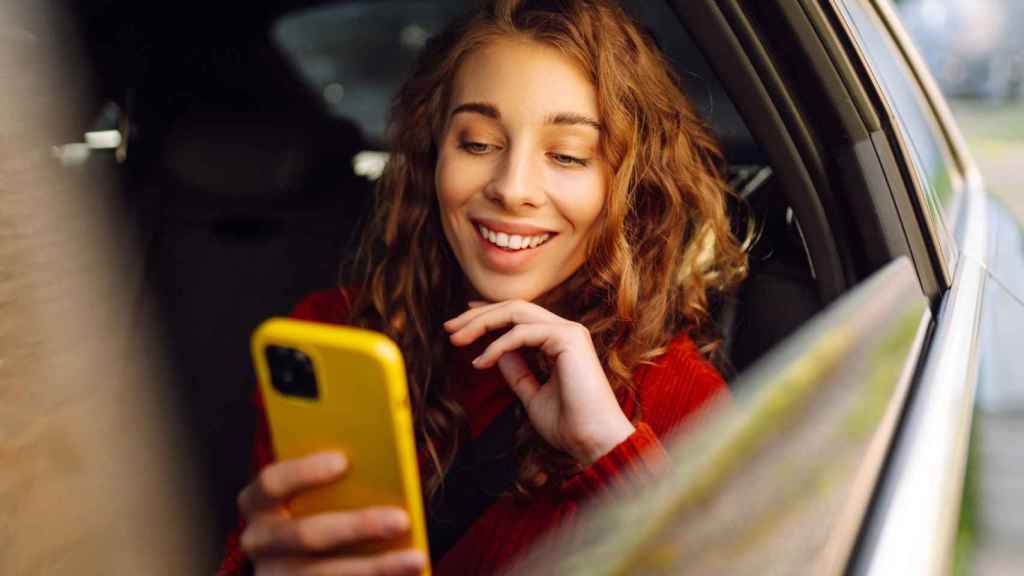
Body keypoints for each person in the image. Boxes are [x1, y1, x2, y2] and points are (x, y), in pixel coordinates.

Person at [218, 0, 748, 574]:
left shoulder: (678, 395)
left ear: (630, 186)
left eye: (568, 155)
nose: (512, 188)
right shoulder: (329, 335)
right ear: (432, 155)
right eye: (477, 143)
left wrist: (609, 451)